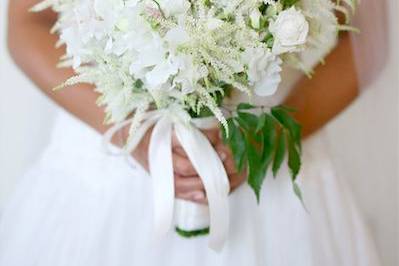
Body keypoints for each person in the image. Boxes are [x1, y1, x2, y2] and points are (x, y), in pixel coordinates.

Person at [0, 0, 382, 265]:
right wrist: (133, 132)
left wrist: (269, 135)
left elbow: (367, 41)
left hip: (272, 176)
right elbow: (26, 24)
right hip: (107, 165)